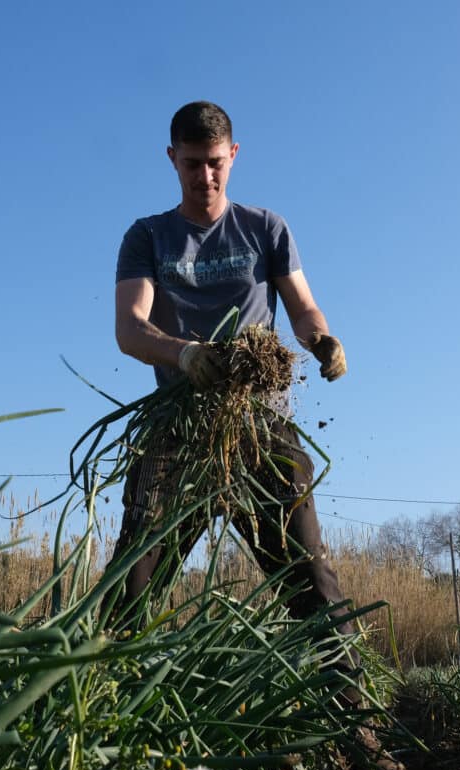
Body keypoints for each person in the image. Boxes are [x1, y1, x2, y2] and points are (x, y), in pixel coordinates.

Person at [107, 97, 359, 674]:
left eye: (216, 162)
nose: (206, 176)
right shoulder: (147, 237)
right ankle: (104, 696)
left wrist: (322, 341)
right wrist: (187, 354)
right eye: (193, 163)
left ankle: (354, 715)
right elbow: (129, 328)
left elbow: (303, 310)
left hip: (259, 425)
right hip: (178, 430)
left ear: (234, 155)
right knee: (135, 576)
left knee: (310, 574)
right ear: (172, 159)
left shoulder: (265, 228)